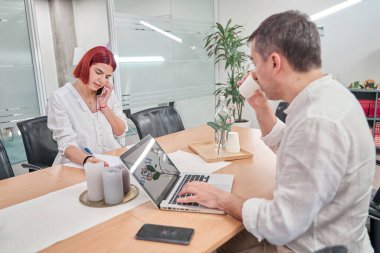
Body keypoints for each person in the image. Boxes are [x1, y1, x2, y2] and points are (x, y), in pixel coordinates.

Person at [177, 10, 375, 253]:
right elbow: (294, 147)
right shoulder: (329, 97)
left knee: (208, 241)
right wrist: (261, 106)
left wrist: (222, 198)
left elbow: (281, 224)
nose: (254, 73)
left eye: (254, 62)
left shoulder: (318, 120)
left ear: (274, 62)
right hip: (313, 232)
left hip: (305, 245)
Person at [47, 46, 128, 166]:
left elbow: (120, 132)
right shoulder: (60, 98)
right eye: (98, 72)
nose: (102, 80)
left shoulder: (107, 93)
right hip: (76, 164)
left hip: (109, 159)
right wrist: (87, 160)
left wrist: (104, 107)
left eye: (107, 76)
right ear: (86, 66)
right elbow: (66, 143)